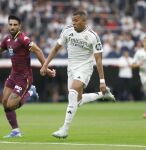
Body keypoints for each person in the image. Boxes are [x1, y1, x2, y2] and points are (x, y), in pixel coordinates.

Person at [40, 10, 115, 139]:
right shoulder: (67, 30)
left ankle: (64, 129)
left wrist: (102, 81)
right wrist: (45, 64)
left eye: (76, 20)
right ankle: (103, 94)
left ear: (84, 21)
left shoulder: (93, 36)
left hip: (85, 68)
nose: (73, 23)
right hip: (71, 69)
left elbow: (98, 59)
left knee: (72, 93)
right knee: (77, 101)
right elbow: (56, 48)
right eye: (72, 20)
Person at [0, 15, 56, 138]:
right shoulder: (7, 40)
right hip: (13, 75)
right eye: (10, 24)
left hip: (24, 77)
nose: (12, 27)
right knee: (4, 102)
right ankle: (15, 131)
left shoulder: (23, 39)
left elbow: (38, 50)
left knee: (11, 105)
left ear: (19, 26)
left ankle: (30, 92)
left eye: (15, 25)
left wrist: (45, 68)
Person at [131, 36, 146, 118]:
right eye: (145, 41)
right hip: (143, 76)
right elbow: (132, 65)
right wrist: (138, 64)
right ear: (143, 43)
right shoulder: (139, 53)